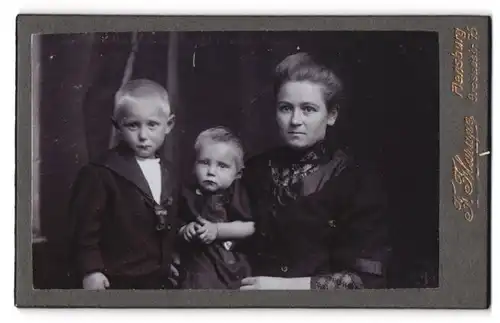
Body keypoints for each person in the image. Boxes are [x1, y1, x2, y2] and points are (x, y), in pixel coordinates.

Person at [239, 53, 390, 290]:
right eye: (286, 108)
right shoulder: (254, 170)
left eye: (308, 109)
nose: (295, 120)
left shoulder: (356, 180)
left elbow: (365, 280)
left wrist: (280, 287)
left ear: (331, 115)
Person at [70, 79, 181, 290]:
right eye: (133, 125)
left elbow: (168, 222)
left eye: (152, 125)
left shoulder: (170, 171)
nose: (143, 136)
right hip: (117, 278)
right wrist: (91, 270)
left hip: (157, 278)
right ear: (117, 127)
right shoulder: (100, 172)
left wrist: (168, 258)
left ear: (169, 125)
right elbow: (84, 230)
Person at [178, 127, 254, 289]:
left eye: (222, 166)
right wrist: (185, 229)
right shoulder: (186, 194)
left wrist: (217, 230)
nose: (211, 172)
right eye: (204, 163)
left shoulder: (236, 194)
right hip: (197, 265)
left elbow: (251, 227)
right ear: (193, 165)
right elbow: (175, 224)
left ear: (238, 174)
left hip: (230, 263)